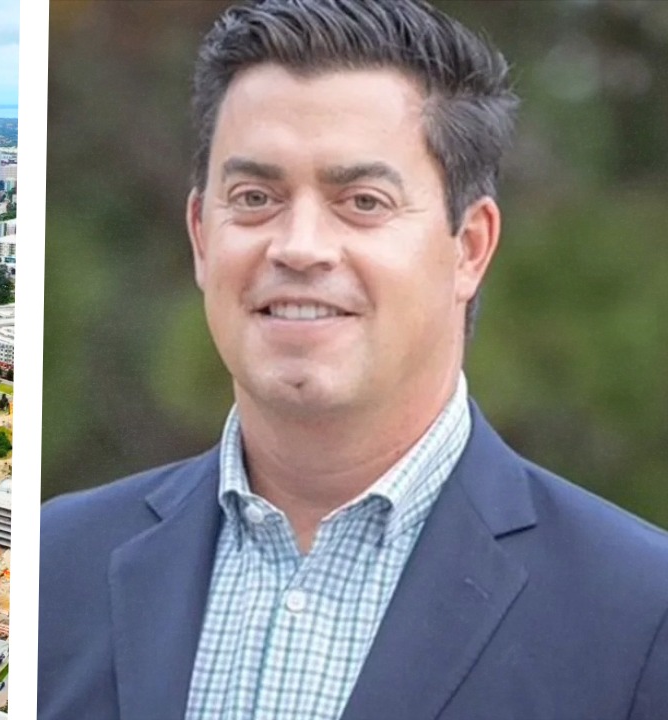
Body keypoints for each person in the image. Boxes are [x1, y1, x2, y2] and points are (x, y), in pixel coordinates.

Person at [38, 1, 668, 718]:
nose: (299, 245)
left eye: (362, 201)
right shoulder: (52, 566)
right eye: (254, 197)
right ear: (201, 237)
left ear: (470, 247)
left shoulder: (641, 616)